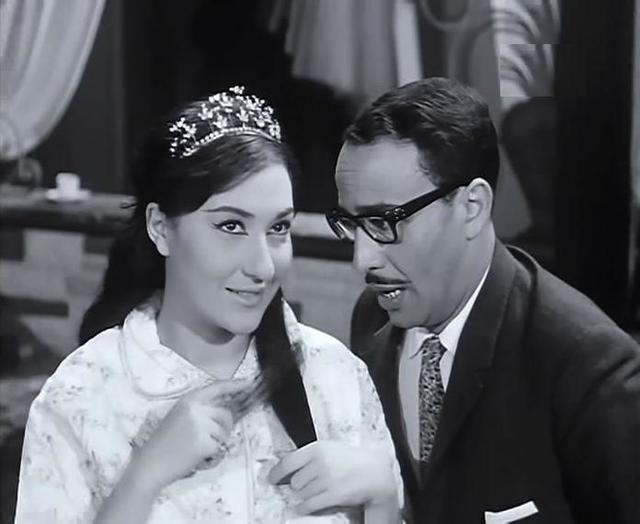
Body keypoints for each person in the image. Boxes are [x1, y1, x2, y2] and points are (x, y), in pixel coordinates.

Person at [15, 87, 403, 523]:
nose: (262, 265)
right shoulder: (81, 396)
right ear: (160, 228)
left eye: (278, 228)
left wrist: (383, 498)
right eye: (231, 226)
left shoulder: (335, 376)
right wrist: (145, 477)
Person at [326, 77, 640, 523]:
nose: (363, 259)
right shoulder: (372, 317)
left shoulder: (587, 365)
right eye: (351, 224)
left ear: (472, 206)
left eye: (383, 222)